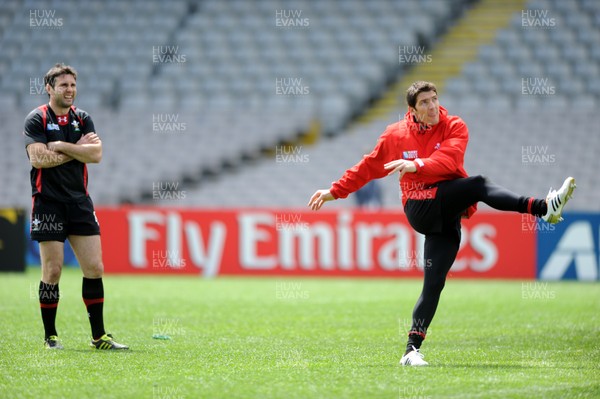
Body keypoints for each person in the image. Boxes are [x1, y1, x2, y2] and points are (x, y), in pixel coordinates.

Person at [308, 81, 575, 366]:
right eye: (424, 102)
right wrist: (334, 191)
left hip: (446, 213)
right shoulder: (395, 135)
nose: (432, 106)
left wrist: (417, 165)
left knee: (434, 283)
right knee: (479, 184)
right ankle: (543, 208)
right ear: (411, 110)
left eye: (434, 99)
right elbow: (369, 166)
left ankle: (411, 350)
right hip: (419, 206)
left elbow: (449, 161)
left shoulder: (454, 126)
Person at [24, 63, 128, 350]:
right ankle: (51, 336)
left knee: (95, 267)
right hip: (48, 203)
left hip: (80, 202)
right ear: (49, 88)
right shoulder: (36, 119)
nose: (70, 90)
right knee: (53, 271)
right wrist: (76, 149)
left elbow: (96, 154)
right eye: (63, 85)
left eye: (72, 85)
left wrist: (60, 145)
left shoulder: (82, 119)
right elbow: (38, 159)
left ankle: (99, 337)